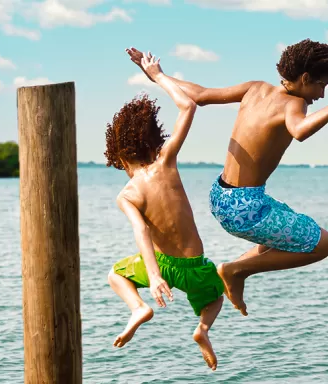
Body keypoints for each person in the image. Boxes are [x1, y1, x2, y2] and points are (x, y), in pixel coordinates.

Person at [126, 39, 328, 317]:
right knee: (323, 244)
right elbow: (300, 131)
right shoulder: (295, 103)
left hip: (220, 196)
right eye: (321, 85)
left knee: (283, 235)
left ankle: (233, 273)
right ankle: (235, 270)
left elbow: (201, 95)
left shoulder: (255, 88)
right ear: (304, 78)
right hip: (246, 208)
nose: (322, 94)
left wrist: (158, 76)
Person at [106, 52, 224, 370]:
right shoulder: (166, 162)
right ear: (151, 141)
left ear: (118, 156)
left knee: (116, 275)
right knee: (215, 297)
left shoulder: (126, 195)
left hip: (162, 267)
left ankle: (138, 308)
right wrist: (156, 74)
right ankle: (202, 330)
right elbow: (188, 105)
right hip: (195, 266)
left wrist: (155, 276)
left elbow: (141, 231)